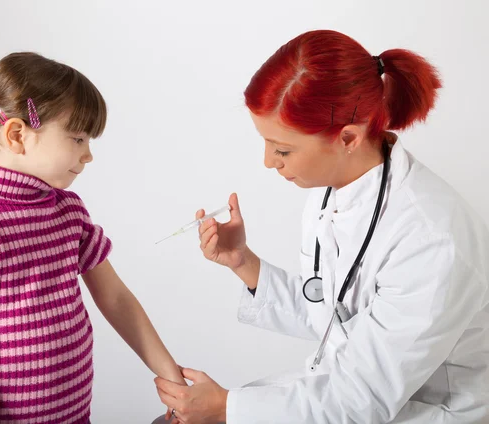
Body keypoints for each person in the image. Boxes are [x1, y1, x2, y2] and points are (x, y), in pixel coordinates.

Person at [154, 30, 489, 423]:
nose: (268, 162)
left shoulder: (432, 240)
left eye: (282, 149)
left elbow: (362, 400)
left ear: (348, 137)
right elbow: (333, 314)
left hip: (424, 410)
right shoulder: (331, 194)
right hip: (344, 392)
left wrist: (228, 408)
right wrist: (243, 262)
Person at [0, 52, 184, 424]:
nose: (88, 154)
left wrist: (176, 383)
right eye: (77, 138)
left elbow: (117, 299)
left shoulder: (67, 210)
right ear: (17, 134)